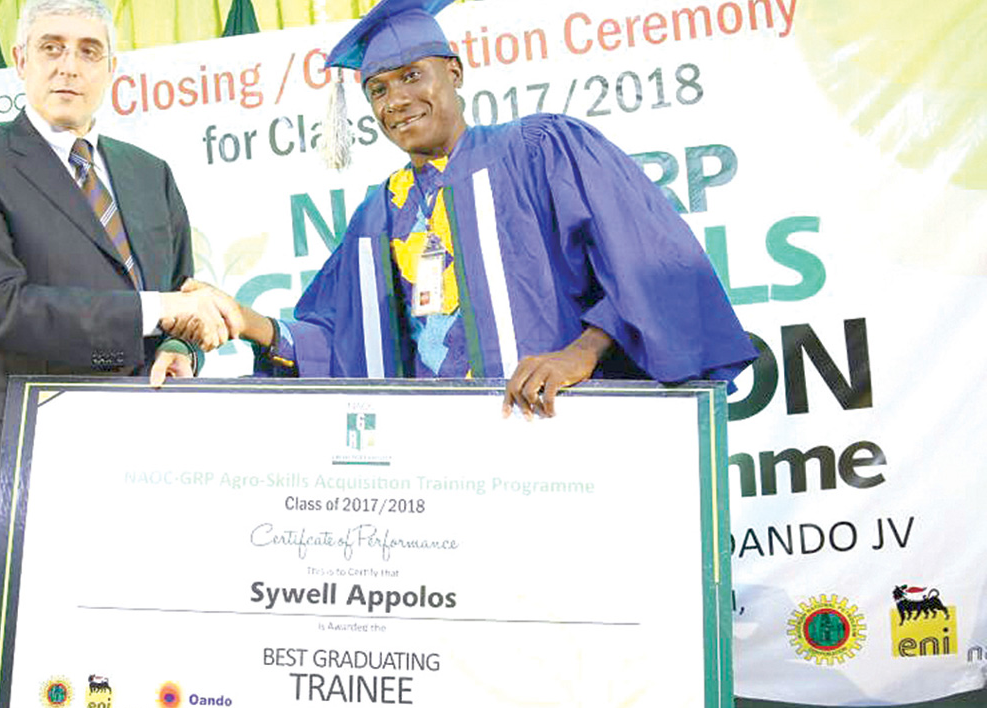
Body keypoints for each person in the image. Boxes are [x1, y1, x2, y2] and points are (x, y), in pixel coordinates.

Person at [175, 0, 756, 418]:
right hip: (451, 467)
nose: (396, 100)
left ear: (453, 72)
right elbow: (340, 341)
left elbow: (653, 265)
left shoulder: (540, 151)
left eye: (411, 76)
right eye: (378, 89)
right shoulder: (379, 215)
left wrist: (580, 354)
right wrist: (244, 320)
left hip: (565, 430)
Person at [0, 0, 237, 543]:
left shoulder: (150, 173)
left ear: (111, 69)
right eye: (52, 48)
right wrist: (159, 311)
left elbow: (182, 295)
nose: (69, 66)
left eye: (89, 51)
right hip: (32, 463)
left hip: (150, 465)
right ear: (21, 61)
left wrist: (180, 348)